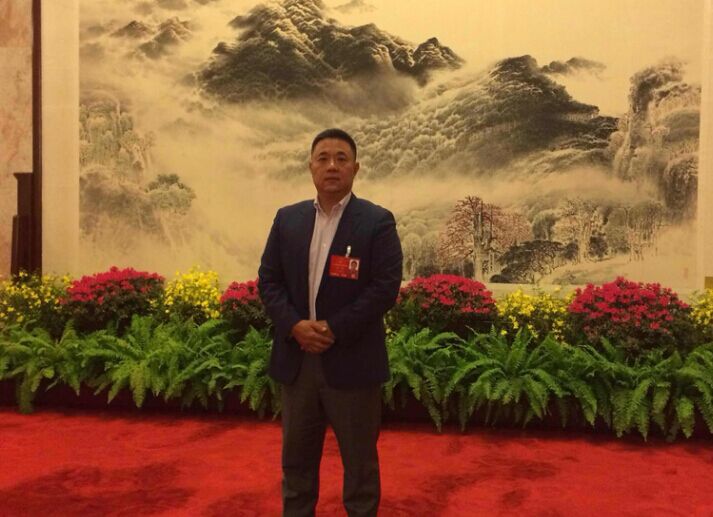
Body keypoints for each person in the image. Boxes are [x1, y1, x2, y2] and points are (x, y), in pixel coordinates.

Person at [258, 128, 403, 517]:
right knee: (296, 465)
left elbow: (384, 289)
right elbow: (268, 281)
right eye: (323, 158)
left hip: (352, 363)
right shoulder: (287, 220)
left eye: (341, 158)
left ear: (356, 168)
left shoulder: (377, 222)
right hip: (298, 361)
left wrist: (332, 329)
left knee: (359, 467)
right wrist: (294, 326)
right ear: (311, 167)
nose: (332, 166)